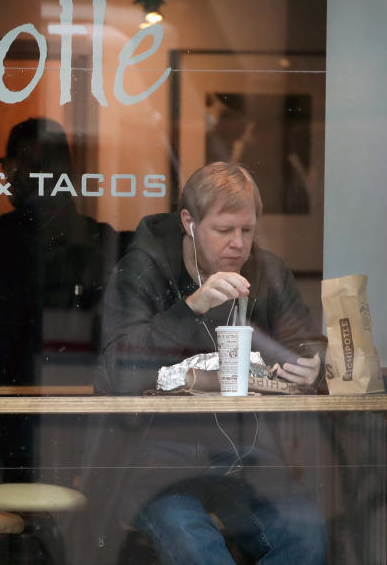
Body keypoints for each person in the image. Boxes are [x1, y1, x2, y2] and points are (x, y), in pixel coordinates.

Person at [93, 162, 327, 564]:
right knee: (195, 546)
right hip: (154, 461)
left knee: (306, 535)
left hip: (242, 456)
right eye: (223, 231)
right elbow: (118, 371)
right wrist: (193, 307)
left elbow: (303, 344)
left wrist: (312, 365)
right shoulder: (141, 270)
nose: (238, 243)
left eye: (247, 230)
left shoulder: (267, 272)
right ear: (189, 222)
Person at [0, 117, 120, 478]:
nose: (5, 174)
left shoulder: (10, 244)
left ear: (23, 167)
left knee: (20, 520)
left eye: (7, 163)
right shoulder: (98, 240)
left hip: (21, 413)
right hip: (89, 414)